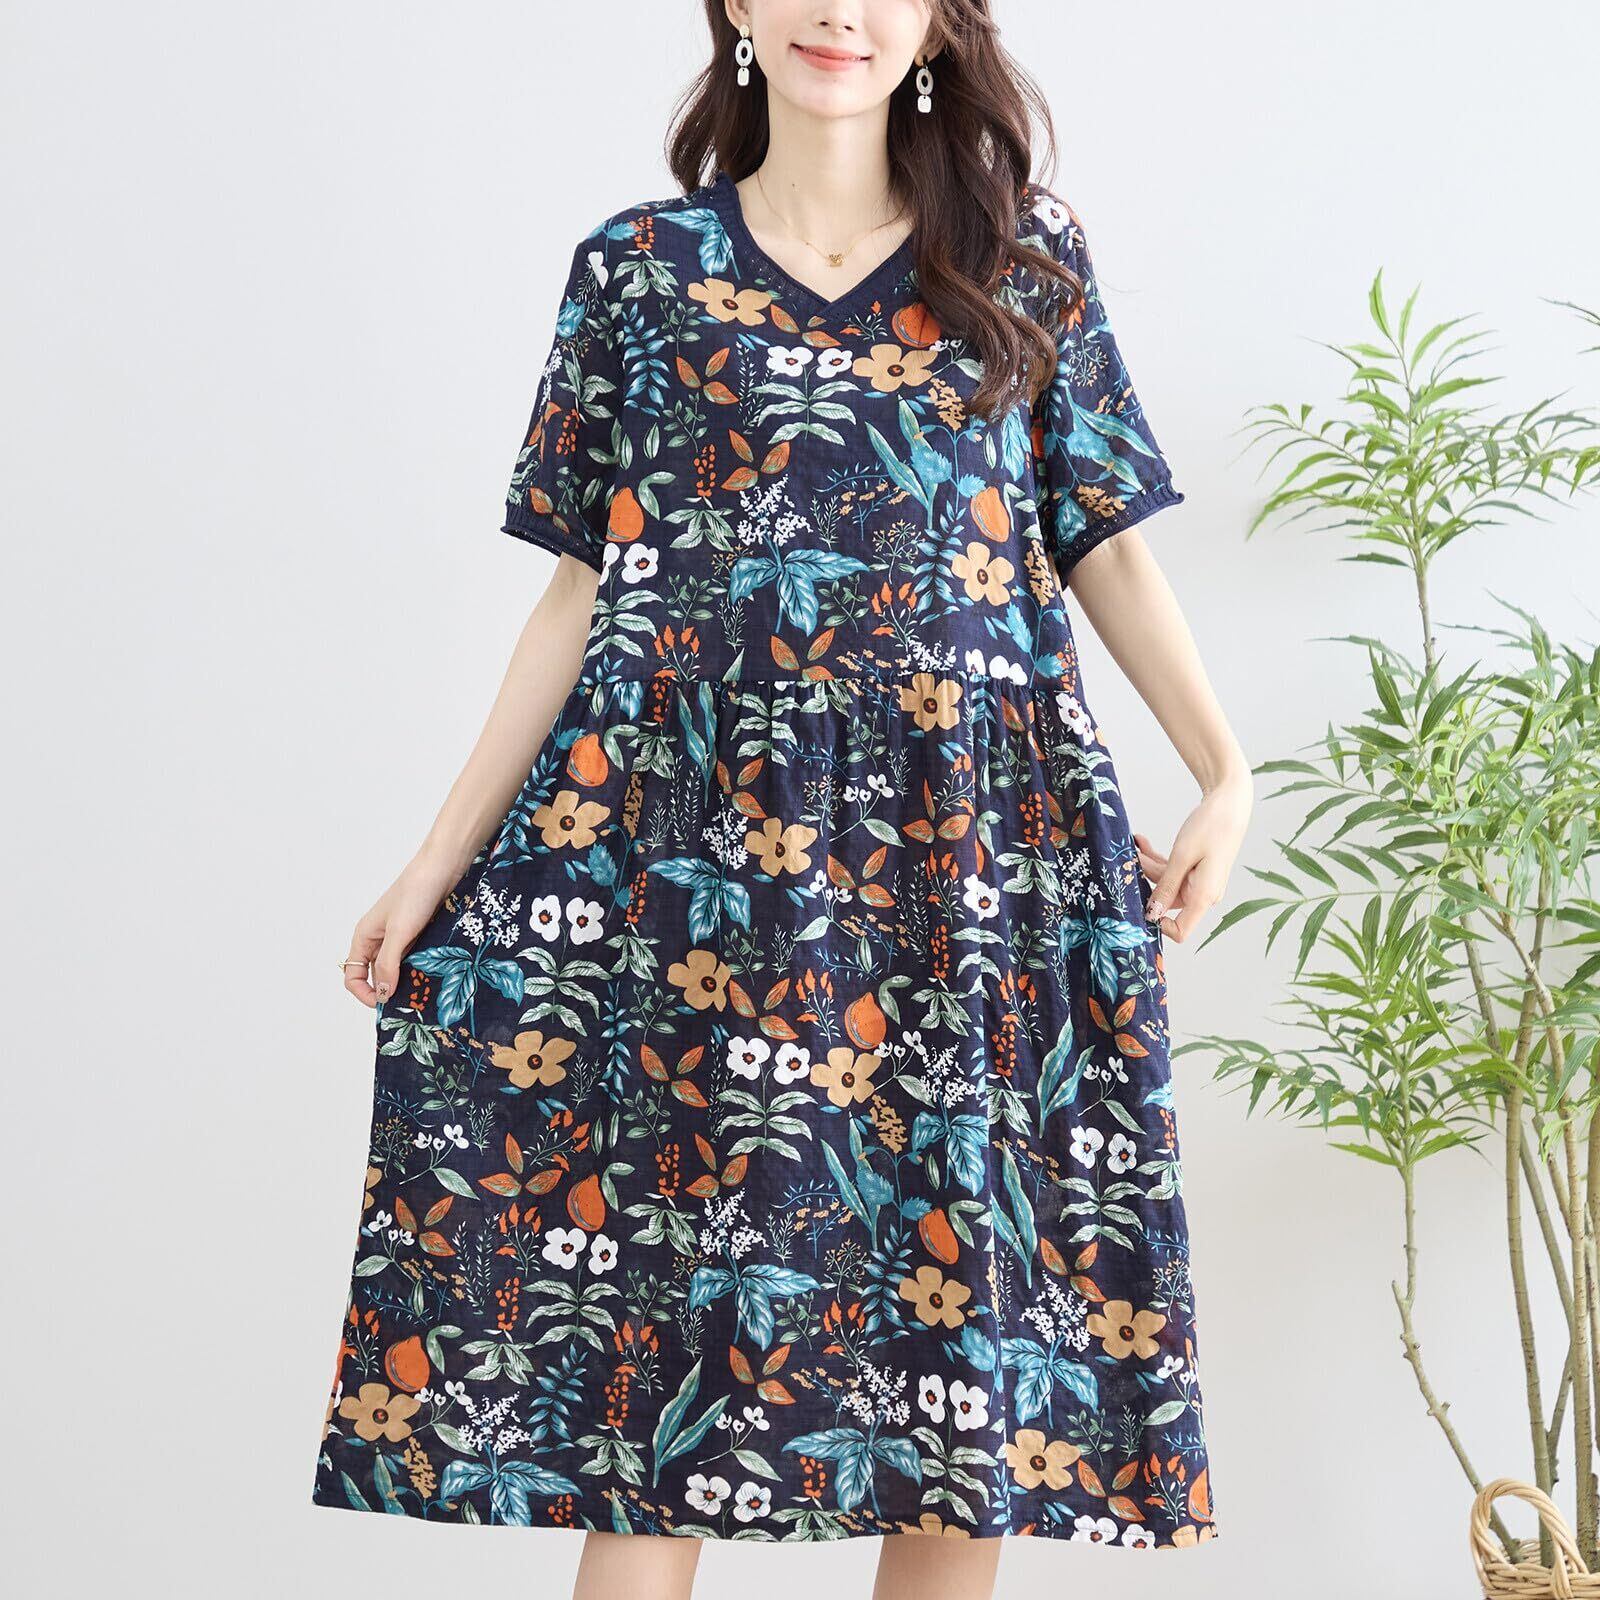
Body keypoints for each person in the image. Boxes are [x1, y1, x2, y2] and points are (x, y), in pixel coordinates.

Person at [313, 3, 1251, 1596]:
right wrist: (431, 864)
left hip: (961, 865)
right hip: (696, 877)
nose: (841, 11)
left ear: (937, 23)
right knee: (665, 1358)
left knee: (960, 1371)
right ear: (739, 4)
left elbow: (1102, 539)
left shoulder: (1026, 263)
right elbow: (577, 596)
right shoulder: (638, 272)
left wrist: (1226, 770)